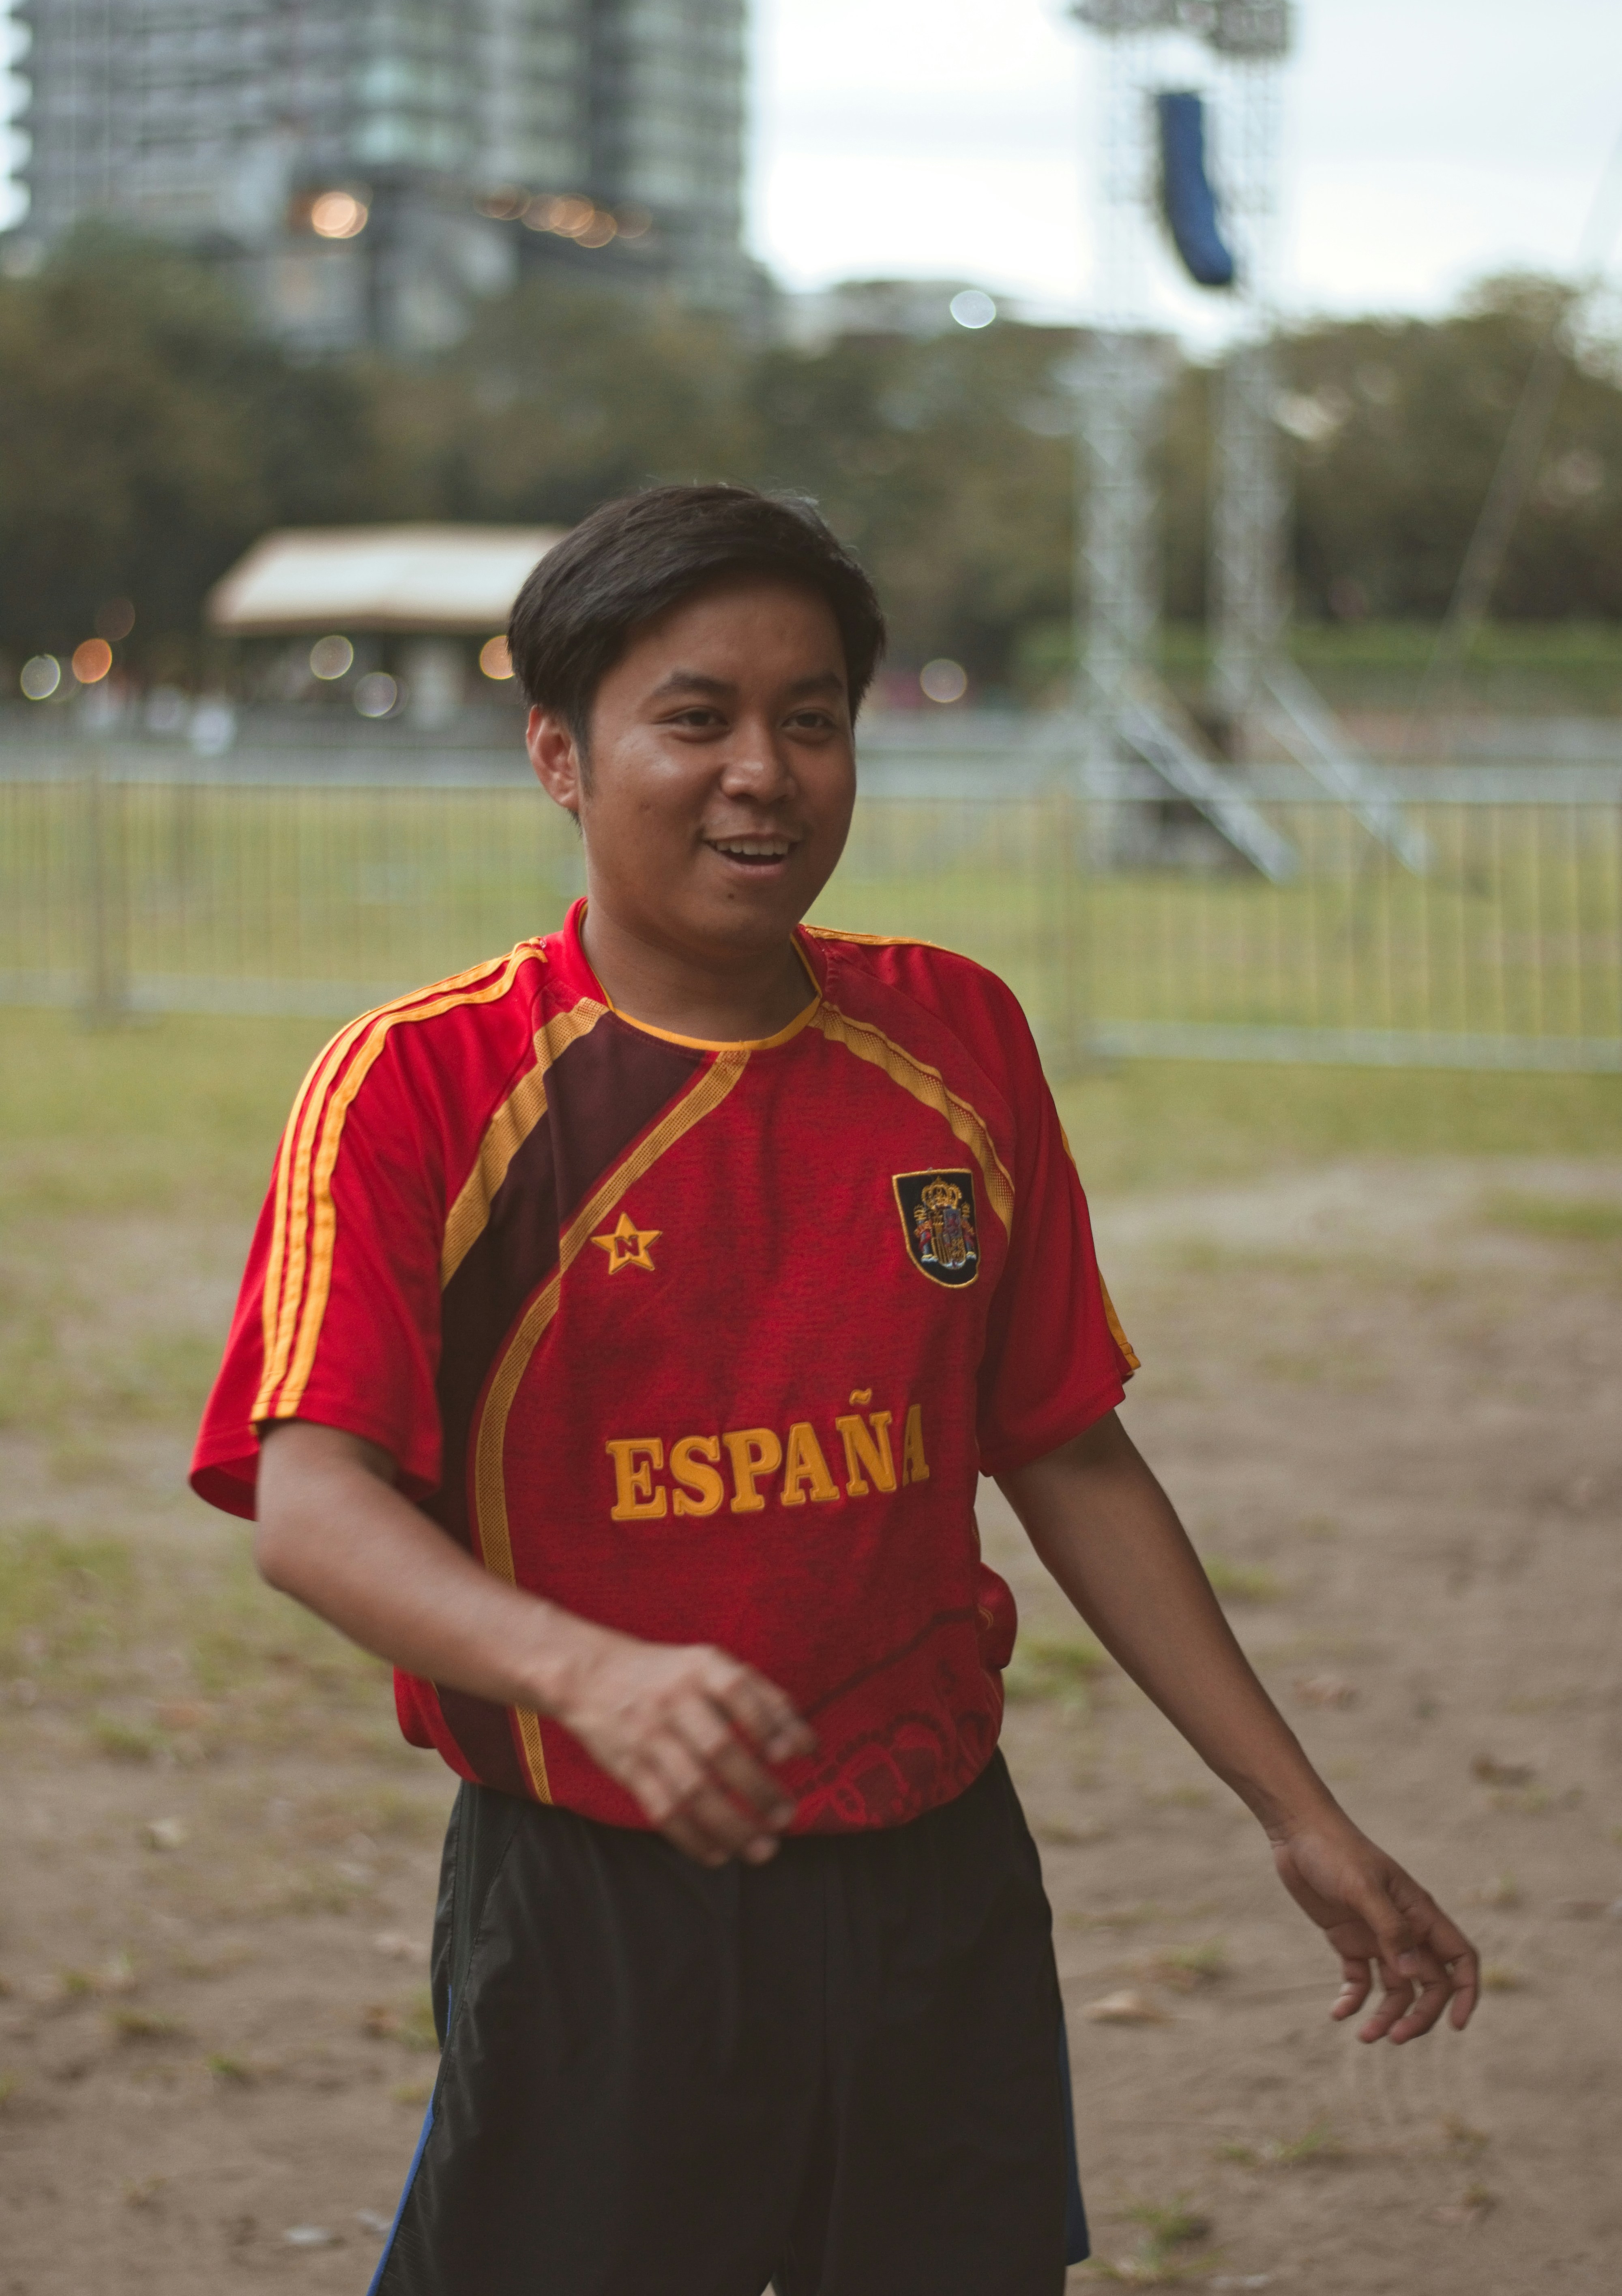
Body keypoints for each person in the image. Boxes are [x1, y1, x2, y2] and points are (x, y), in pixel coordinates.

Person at [191, 485, 1478, 2296]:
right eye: (695, 718)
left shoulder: (953, 1038)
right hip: (605, 1893)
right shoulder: (422, 1084)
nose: (764, 773)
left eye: (812, 719)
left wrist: (1297, 1810)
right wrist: (592, 1673)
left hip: (938, 1870)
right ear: (559, 753)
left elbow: (1067, 1452)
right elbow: (311, 1502)